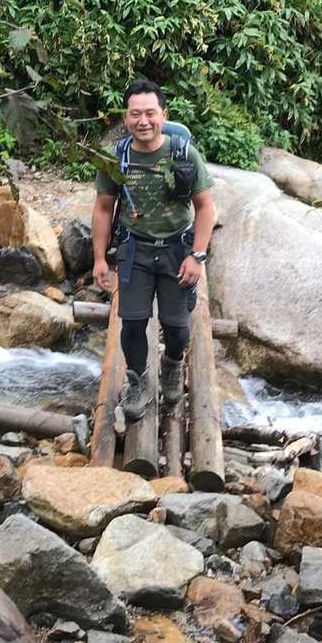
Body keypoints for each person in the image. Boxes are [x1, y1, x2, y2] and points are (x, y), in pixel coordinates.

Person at [90, 79, 215, 421]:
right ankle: (137, 381)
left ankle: (172, 363)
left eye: (150, 113)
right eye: (135, 114)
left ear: (163, 115)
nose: (143, 121)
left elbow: (205, 208)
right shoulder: (116, 159)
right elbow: (103, 208)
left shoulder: (183, 154)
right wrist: (99, 258)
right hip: (135, 249)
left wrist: (197, 256)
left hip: (178, 249)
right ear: (126, 118)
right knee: (132, 323)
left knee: (177, 328)